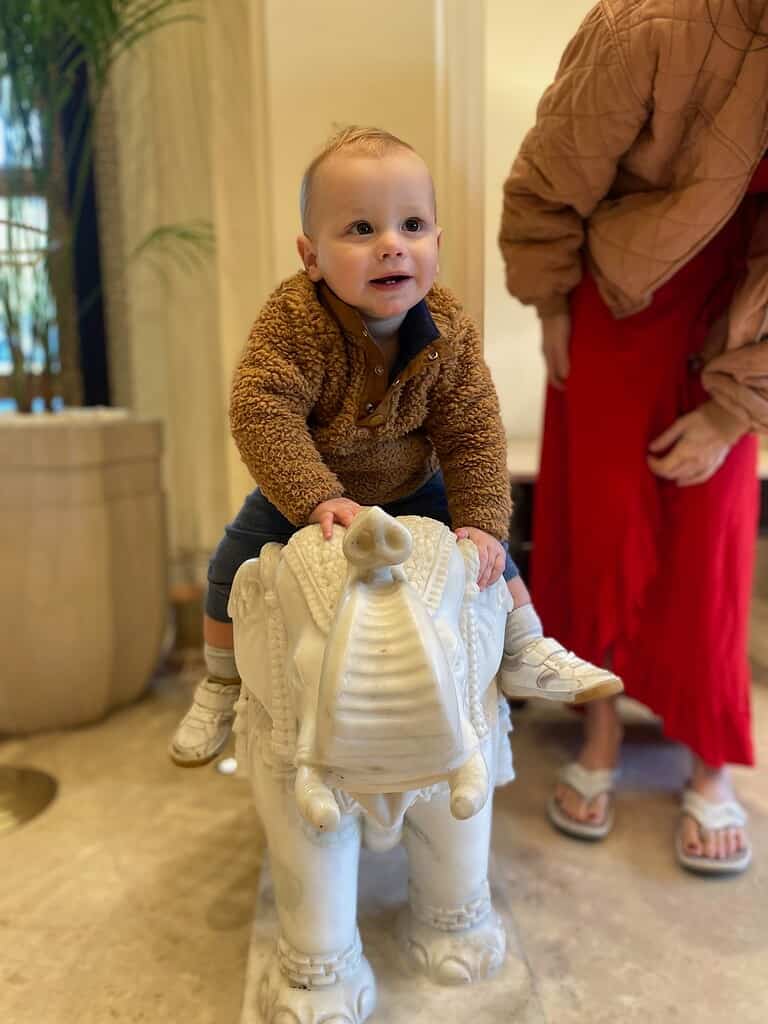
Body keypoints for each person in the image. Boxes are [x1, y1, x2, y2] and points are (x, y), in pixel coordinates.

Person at [169, 125, 623, 776]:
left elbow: (472, 429)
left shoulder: (450, 328)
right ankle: (218, 684)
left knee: (497, 562)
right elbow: (260, 408)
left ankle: (527, 646)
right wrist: (315, 494)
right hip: (312, 489)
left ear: (436, 242)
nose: (390, 246)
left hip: (413, 483)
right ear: (311, 255)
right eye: (359, 230)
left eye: (412, 226)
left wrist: (481, 521)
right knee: (229, 564)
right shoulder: (294, 321)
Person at [499, 0, 768, 874]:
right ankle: (603, 729)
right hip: (617, 301)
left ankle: (710, 758)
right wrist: (550, 301)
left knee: (714, 535)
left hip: (745, 312)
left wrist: (737, 408)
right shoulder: (647, 24)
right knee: (602, 526)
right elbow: (549, 175)